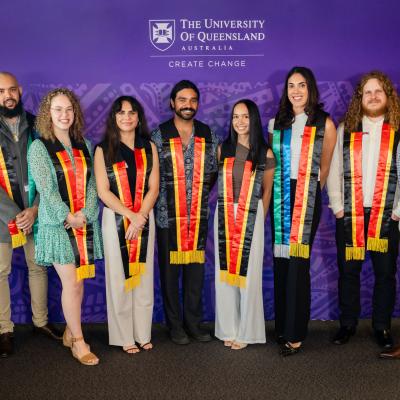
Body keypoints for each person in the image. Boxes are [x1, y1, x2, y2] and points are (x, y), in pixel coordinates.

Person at [28, 88, 102, 365]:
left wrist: (86, 212)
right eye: (58, 109)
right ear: (48, 113)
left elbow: (93, 183)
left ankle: (71, 331)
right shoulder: (39, 147)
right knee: (71, 283)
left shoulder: (85, 144)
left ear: (75, 113)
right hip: (57, 226)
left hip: (83, 222)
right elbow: (46, 190)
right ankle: (79, 343)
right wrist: (67, 216)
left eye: (69, 109)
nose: (64, 115)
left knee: (79, 281)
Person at [327, 71, 400, 352]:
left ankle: (382, 326)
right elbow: (334, 170)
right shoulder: (347, 129)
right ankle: (347, 324)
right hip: (351, 214)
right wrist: (337, 206)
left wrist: (397, 211)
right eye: (367, 92)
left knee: (385, 273)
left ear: (387, 95)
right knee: (349, 272)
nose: (372, 96)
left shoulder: (397, 129)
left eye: (378, 91)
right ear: (360, 97)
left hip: (387, 215)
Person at [269, 66, 336, 356]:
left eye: (302, 85)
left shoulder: (325, 123)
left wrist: (306, 197)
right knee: (282, 262)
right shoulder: (276, 123)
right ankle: (283, 326)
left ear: (311, 89)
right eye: (291, 85)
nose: (296, 91)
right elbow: (271, 165)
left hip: (306, 197)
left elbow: (325, 167)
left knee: (298, 265)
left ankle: (296, 334)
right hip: (280, 196)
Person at [0, 72, 62, 358]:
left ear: (20, 90)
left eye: (12, 90)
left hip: (36, 212)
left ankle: (40, 322)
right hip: (2, 215)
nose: (7, 96)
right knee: (0, 272)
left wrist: (36, 208)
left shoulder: (38, 125)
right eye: (1, 91)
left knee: (38, 267)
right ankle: (4, 330)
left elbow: (51, 171)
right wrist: (15, 214)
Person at [151, 80, 218, 345]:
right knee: (169, 274)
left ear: (197, 104)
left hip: (198, 216)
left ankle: (193, 322)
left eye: (192, 100)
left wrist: (196, 197)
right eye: (182, 100)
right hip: (168, 216)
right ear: (172, 103)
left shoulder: (207, 133)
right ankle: (175, 325)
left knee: (195, 274)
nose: (187, 105)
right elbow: (151, 174)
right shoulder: (159, 135)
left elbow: (212, 171)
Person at [94, 96, 159, 354]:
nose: (127, 117)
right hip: (116, 219)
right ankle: (123, 336)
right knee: (120, 278)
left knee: (143, 276)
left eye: (132, 112)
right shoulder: (103, 149)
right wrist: (130, 216)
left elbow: (153, 187)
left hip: (145, 218)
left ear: (138, 117)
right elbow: (103, 191)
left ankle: (142, 333)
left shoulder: (149, 146)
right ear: (114, 117)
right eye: (121, 113)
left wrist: (141, 215)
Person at [214, 99, 274, 350]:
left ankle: (247, 332)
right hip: (226, 213)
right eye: (236, 117)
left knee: (248, 275)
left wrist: (258, 217)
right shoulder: (223, 149)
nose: (240, 121)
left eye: (245, 117)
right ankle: (228, 327)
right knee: (225, 273)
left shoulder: (265, 153)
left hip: (252, 214)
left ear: (254, 119)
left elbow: (267, 190)